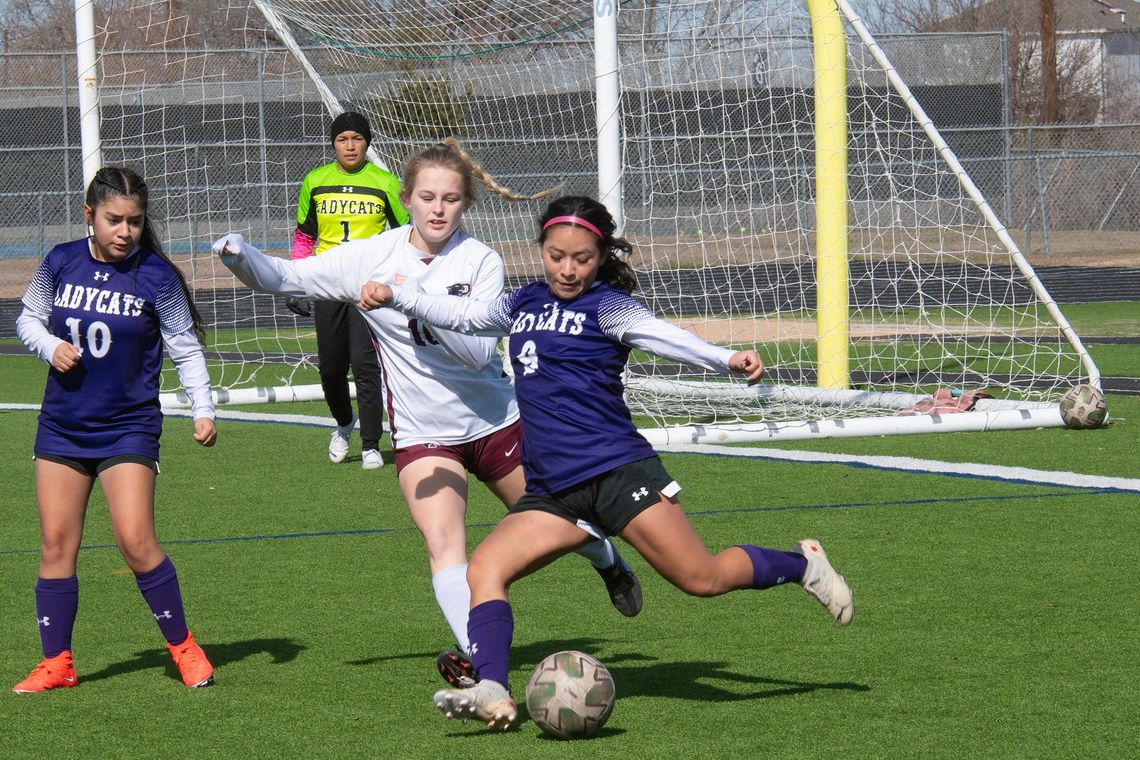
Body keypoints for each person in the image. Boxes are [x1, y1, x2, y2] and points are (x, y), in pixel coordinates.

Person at [358, 195, 855, 731]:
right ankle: (494, 690)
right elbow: (461, 313)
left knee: (702, 579)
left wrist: (725, 359)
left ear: (600, 258)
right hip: (551, 489)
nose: (567, 269)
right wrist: (399, 296)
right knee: (485, 570)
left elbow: (665, 338)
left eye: (581, 258)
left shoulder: (609, 307)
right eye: (555, 256)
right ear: (541, 251)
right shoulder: (521, 302)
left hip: (617, 473)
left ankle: (804, 565)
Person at [212, 142, 643, 686]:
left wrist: (405, 296)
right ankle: (485, 668)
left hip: (496, 424)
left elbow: (478, 352)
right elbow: (286, 277)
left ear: (465, 205)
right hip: (422, 435)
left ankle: (603, 554)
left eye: (452, 199)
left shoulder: (480, 261)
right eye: (427, 197)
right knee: (445, 548)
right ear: (406, 199)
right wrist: (238, 255)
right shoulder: (370, 255)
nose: (438, 209)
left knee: (564, 527)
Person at [12, 166, 217, 693]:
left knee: (135, 541)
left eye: (134, 221)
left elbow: (185, 347)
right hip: (61, 426)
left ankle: (184, 648)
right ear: (89, 216)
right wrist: (48, 346)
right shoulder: (60, 261)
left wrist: (203, 408)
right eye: (113, 220)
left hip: (128, 427)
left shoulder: (156, 276)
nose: (124, 231)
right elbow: (27, 320)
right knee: (56, 544)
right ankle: (56, 662)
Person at [290, 111, 408, 470]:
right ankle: (343, 423)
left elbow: (406, 234)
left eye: (357, 138)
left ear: (367, 142)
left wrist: (399, 281)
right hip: (328, 284)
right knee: (330, 369)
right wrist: (297, 280)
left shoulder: (386, 182)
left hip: (367, 288)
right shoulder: (315, 180)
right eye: (343, 139)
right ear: (333, 144)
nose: (350, 145)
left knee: (366, 364)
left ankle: (371, 443)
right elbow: (305, 236)